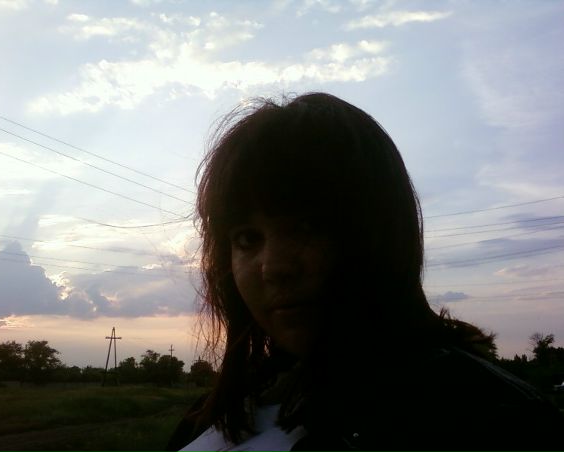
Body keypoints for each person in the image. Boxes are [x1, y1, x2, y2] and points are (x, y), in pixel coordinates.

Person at [165, 93, 563, 451]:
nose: (274, 267)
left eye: (307, 226)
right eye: (247, 238)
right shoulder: (223, 411)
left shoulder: (494, 423)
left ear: (382, 232)